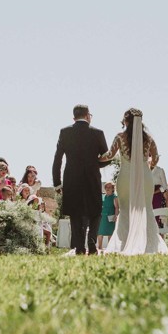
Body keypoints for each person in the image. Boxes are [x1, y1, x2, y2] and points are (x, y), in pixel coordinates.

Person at [98, 107, 168, 256]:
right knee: (146, 208)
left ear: (126, 121)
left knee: (125, 210)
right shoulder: (149, 139)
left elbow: (109, 155)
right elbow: (155, 158)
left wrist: (96, 158)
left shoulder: (120, 137)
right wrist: (149, 167)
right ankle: (149, 244)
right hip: (145, 177)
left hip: (125, 177)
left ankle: (124, 243)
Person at [53, 104, 109, 255]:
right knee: (95, 211)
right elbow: (107, 157)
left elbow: (57, 159)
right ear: (87, 116)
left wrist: (57, 183)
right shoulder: (98, 133)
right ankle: (92, 245)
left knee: (76, 213)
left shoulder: (65, 132)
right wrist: (93, 163)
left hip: (72, 178)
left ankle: (79, 247)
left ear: (74, 117)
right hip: (92, 178)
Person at [97, 181, 119, 249]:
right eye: (106, 187)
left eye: (109, 187)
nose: (107, 188)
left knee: (110, 233)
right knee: (100, 232)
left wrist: (116, 216)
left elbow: (117, 207)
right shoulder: (104, 196)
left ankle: (110, 248)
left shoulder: (114, 197)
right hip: (102, 216)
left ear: (113, 188)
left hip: (110, 217)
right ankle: (99, 247)